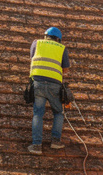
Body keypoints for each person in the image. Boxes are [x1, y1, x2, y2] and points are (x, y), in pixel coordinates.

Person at [28, 26, 71, 154]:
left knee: (38, 114)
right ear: (58, 39)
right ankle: (55, 141)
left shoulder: (36, 43)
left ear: (46, 36)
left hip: (38, 83)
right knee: (58, 112)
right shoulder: (62, 48)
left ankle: (36, 146)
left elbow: (32, 58)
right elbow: (66, 69)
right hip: (54, 85)